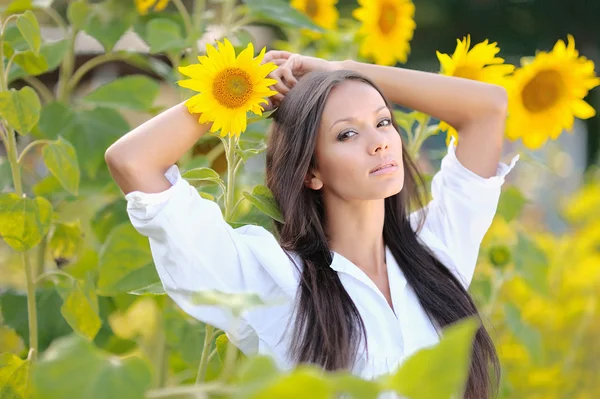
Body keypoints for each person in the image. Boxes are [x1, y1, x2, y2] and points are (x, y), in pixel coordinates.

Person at [105, 50, 519, 399]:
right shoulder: (274, 278)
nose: (378, 142)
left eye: (382, 121)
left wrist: (339, 69)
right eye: (346, 135)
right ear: (310, 172)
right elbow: (132, 160)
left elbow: (488, 108)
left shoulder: (436, 249)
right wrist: (238, 90)